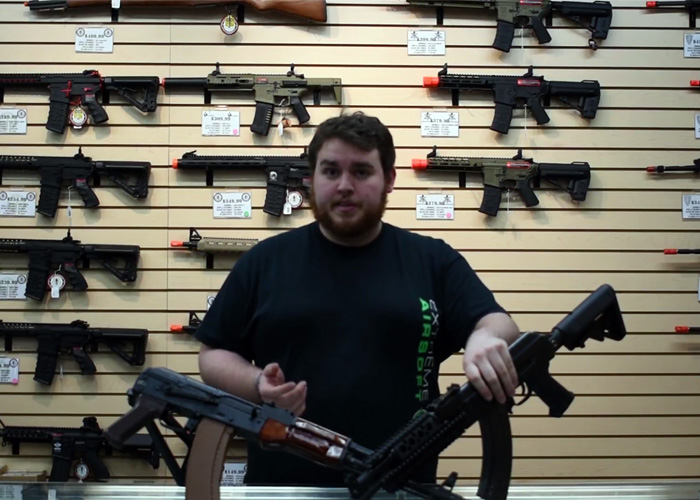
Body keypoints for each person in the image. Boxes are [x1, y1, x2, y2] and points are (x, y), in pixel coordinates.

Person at [195, 112, 521, 486]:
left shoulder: (432, 260)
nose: (345, 186)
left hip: (401, 488)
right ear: (311, 178)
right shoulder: (264, 261)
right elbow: (213, 355)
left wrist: (485, 337)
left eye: (362, 172)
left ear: (389, 180)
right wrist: (257, 384)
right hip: (283, 489)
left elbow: (499, 323)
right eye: (331, 171)